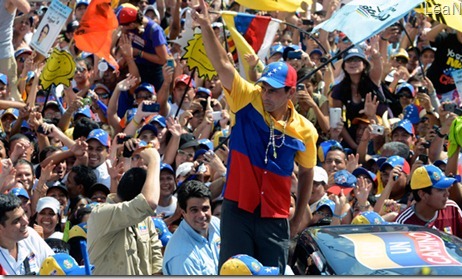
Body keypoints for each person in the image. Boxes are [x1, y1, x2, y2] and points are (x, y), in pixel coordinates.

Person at [192, 0, 317, 274]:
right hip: (237, 211)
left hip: (275, 217)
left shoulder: (306, 130)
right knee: (233, 272)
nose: (266, 94)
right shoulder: (245, 99)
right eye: (264, 88)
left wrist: (298, 217)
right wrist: (204, 25)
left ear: (290, 93)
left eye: (274, 91)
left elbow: (307, 172)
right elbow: (223, 63)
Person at [87, 147, 163, 275]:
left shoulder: (144, 218)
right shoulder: (101, 213)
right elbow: (149, 202)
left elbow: (155, 255)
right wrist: (154, 160)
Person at [395, 165, 462, 246]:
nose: (447, 194)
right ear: (422, 194)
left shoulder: (452, 208)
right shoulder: (403, 224)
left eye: (446, 189)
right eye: (440, 190)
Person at [162, 180, 221, 275]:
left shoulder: (215, 223)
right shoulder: (182, 257)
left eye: (205, 208)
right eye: (194, 210)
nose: (202, 215)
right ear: (183, 213)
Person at [0, 194, 54, 275]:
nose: (26, 222)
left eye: (24, 214)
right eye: (17, 220)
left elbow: (54, 264)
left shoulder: (30, 235)